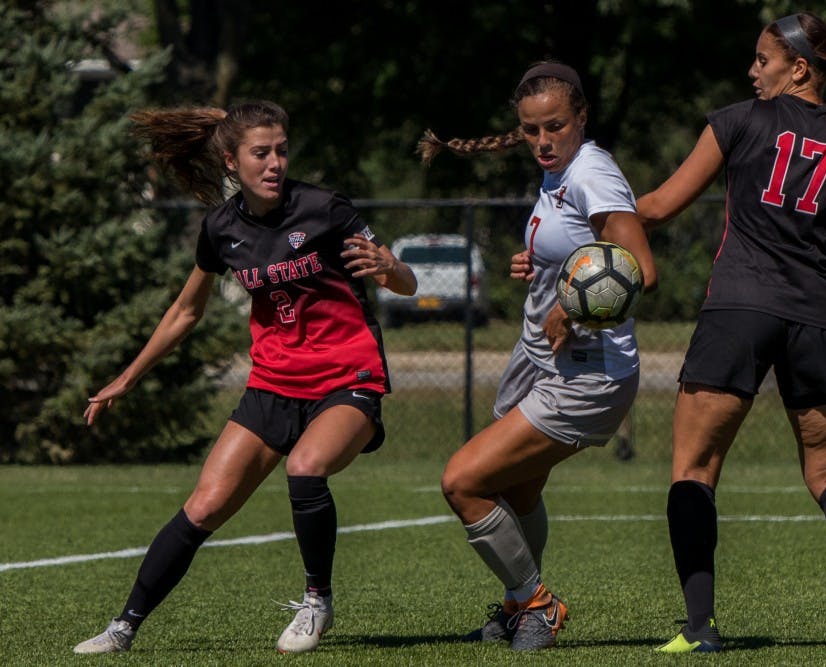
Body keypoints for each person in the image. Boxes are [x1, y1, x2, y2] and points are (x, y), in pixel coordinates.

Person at [72, 100, 417, 655]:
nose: (275, 162)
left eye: (281, 149)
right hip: (273, 385)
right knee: (204, 506)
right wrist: (129, 376)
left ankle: (316, 600)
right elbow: (187, 310)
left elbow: (404, 280)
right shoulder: (221, 227)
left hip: (347, 376)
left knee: (306, 469)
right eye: (261, 153)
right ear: (232, 161)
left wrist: (392, 268)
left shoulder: (325, 208)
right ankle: (124, 626)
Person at [636, 12, 826, 653]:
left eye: (761, 60)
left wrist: (585, 229)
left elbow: (655, 208)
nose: (751, 70)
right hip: (816, 318)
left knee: (694, 469)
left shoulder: (738, 120)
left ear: (798, 68)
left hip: (737, 309)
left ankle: (698, 629)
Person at [419, 61, 657, 651]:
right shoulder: (559, 173)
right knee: (518, 491)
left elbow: (640, 271)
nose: (543, 141)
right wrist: (540, 268)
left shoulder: (592, 173)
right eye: (530, 130)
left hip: (587, 372)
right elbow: (580, 251)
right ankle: (517, 606)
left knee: (463, 482)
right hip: (541, 359)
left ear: (582, 118)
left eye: (555, 126)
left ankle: (536, 603)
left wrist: (572, 309)